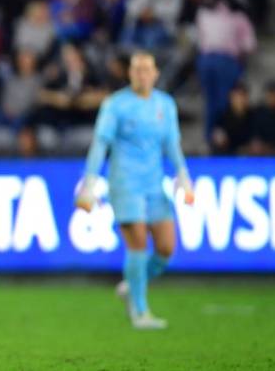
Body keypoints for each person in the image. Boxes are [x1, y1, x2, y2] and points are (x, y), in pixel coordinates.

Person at [75, 52, 194, 329]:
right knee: (137, 241)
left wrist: (183, 177)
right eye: (136, 69)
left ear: (155, 74)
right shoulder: (116, 105)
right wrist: (89, 183)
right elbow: (100, 144)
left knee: (165, 248)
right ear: (130, 74)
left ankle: (132, 286)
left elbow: (172, 144)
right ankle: (140, 312)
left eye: (147, 69)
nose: (142, 74)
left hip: (153, 183)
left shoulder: (165, 105)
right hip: (125, 182)